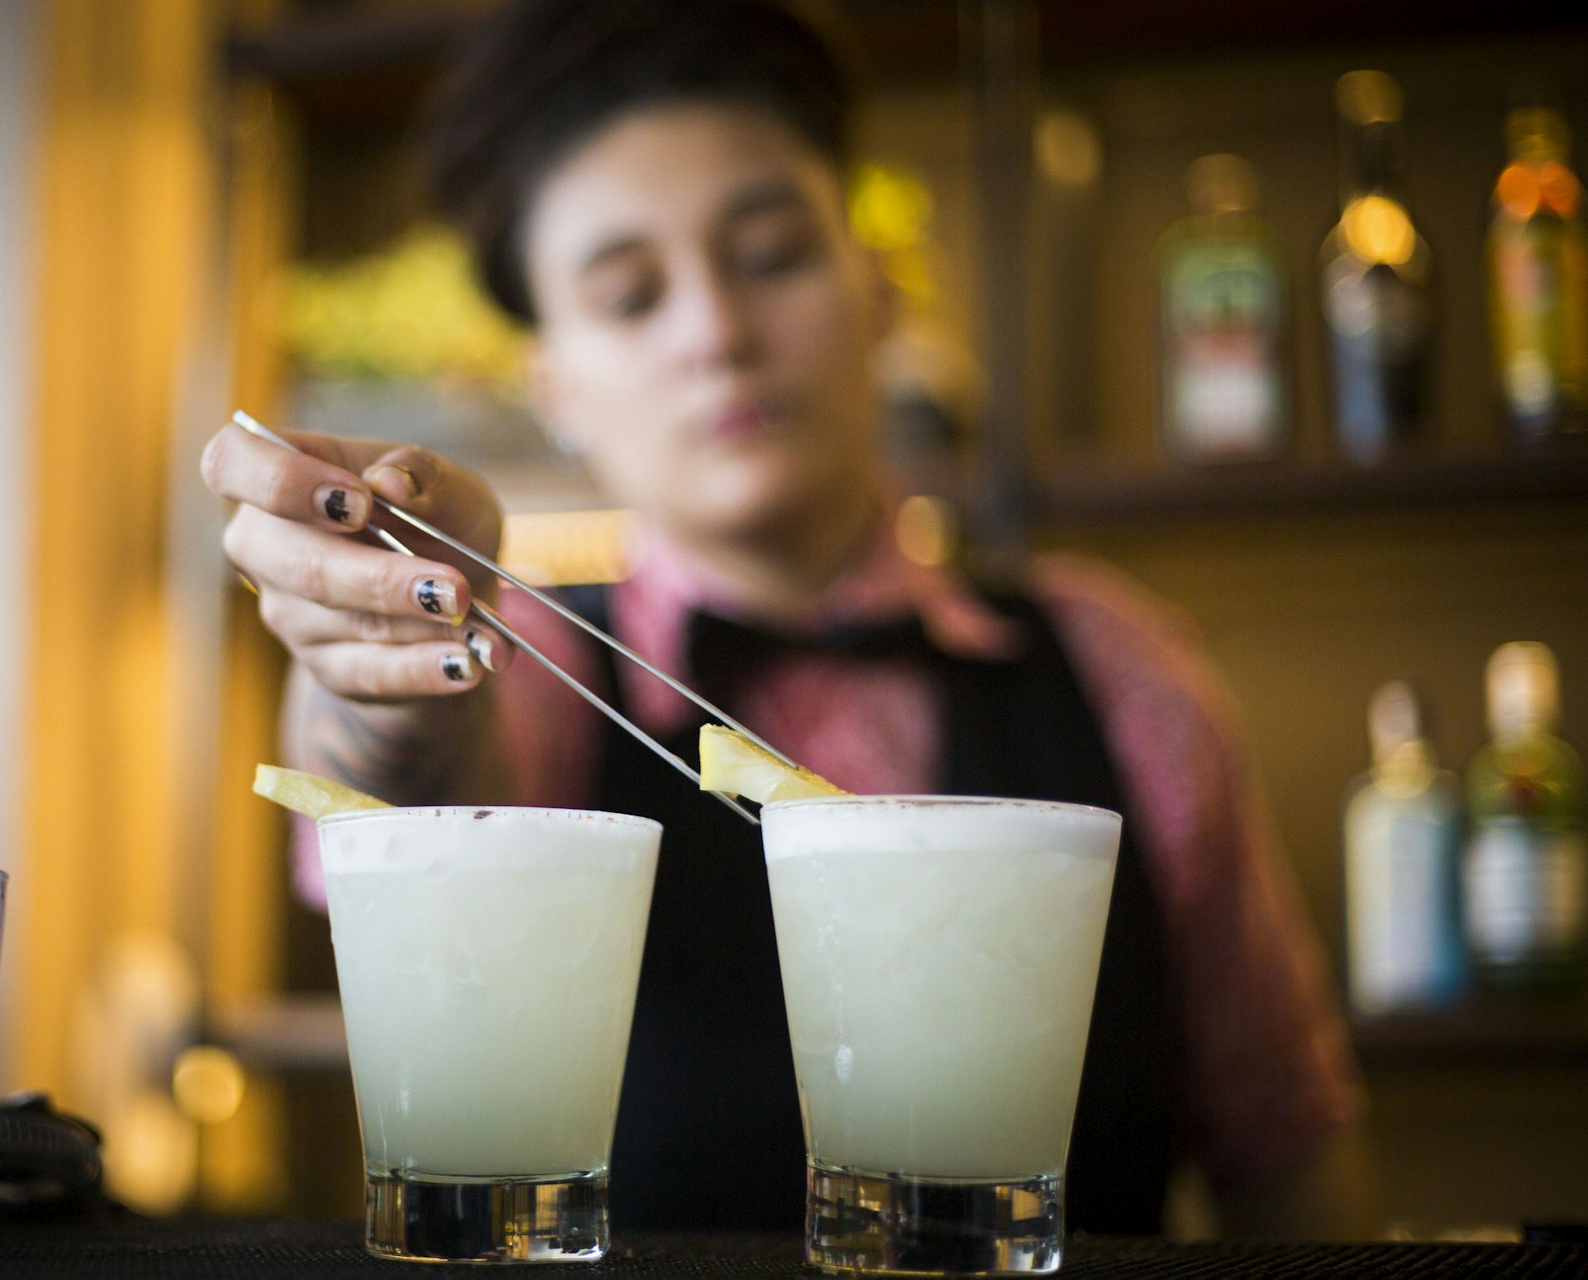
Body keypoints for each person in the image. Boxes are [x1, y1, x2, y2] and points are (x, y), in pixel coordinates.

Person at [200, 0, 1372, 1239]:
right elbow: (412, 801)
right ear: (555, 389)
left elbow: (1287, 1139)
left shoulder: (1124, 668)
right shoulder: (535, 672)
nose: (717, 331)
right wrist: (384, 657)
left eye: (769, 254)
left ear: (879, 288)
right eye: (631, 294)